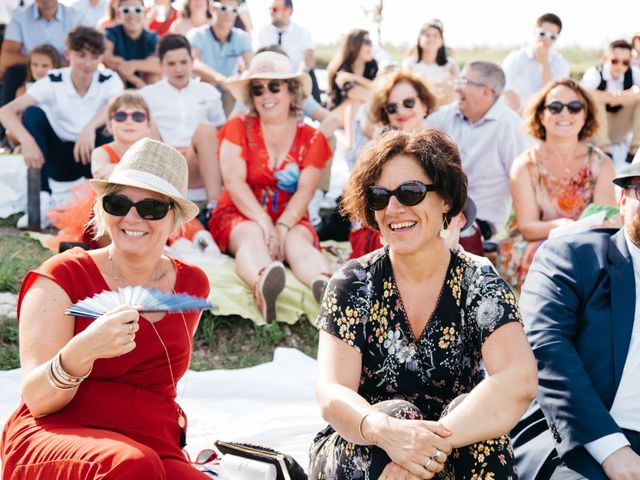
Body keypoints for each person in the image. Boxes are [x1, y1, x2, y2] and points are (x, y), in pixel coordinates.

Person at [309, 129, 537, 479]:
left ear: (446, 199)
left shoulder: (478, 281)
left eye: (411, 193)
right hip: (364, 437)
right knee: (399, 414)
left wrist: (425, 447)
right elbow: (332, 392)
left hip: (452, 437)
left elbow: (517, 379)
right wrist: (387, 432)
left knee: (484, 442)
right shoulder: (353, 282)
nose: (393, 208)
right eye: (379, 196)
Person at [0, 137, 211, 479]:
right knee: (132, 465)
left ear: (173, 218)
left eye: (151, 208)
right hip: (59, 433)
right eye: (118, 203)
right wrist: (81, 352)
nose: (132, 217)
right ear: (102, 208)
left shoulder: (191, 284)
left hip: (152, 442)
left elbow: (161, 384)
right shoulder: (61, 276)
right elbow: (37, 400)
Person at [512, 155, 640, 479]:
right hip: (580, 439)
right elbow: (545, 348)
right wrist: (612, 449)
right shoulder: (572, 257)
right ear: (622, 200)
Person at [208, 51, 333, 323]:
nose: (266, 95)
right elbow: (233, 181)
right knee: (251, 234)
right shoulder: (237, 126)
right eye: (258, 89)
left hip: (291, 215)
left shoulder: (311, 137)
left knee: (296, 241)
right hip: (240, 212)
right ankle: (263, 282)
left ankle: (327, 290)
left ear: (292, 91)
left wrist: (283, 225)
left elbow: (306, 190)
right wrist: (265, 221)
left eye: (275, 86)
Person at [497, 79, 617, 292]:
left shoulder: (602, 164)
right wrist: (563, 226)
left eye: (574, 107)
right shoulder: (525, 165)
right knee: (557, 257)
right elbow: (527, 228)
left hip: (588, 244)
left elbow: (606, 220)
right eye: (555, 107)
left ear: (585, 115)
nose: (564, 114)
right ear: (541, 116)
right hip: (535, 245)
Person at [0, 26, 123, 194]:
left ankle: (108, 194)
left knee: (116, 119)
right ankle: (42, 194)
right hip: (57, 155)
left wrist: (90, 127)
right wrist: (27, 141)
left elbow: (116, 105)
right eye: (81, 55)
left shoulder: (109, 78)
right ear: (68, 54)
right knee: (33, 114)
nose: (87, 63)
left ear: (101, 57)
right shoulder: (54, 80)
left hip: (92, 155)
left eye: (94, 57)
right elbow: (5, 111)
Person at [425, 61, 532, 237]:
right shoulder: (447, 115)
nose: (457, 89)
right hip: (440, 214)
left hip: (479, 222)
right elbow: (416, 133)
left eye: (463, 82)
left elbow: (528, 180)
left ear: (486, 91)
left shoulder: (510, 127)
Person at [47, 90, 152, 251]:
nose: (129, 121)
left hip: (144, 209)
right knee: (104, 215)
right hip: (110, 208)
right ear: (110, 124)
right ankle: (113, 251)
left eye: (137, 117)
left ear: (148, 124)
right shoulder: (102, 152)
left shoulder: (151, 153)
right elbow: (101, 173)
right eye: (121, 116)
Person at [140, 34, 226, 211]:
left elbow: (221, 130)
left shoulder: (208, 92)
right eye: (171, 64)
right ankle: (159, 196)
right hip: (165, 164)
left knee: (206, 129)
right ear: (160, 65)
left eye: (183, 62)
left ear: (192, 61)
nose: (178, 69)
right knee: (145, 122)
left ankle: (213, 207)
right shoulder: (147, 94)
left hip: (198, 162)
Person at [0, 0, 83, 108]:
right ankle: (5, 121)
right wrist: (39, 62)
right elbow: (7, 58)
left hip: (63, 74)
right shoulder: (20, 16)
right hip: (29, 74)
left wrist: (54, 64)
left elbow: (84, 57)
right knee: (13, 73)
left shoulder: (76, 16)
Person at [187, 0, 252, 115]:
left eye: (234, 10)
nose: (229, 14)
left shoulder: (243, 37)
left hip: (229, 90)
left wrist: (238, 79)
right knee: (205, 84)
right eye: (224, 8)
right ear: (212, 8)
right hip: (203, 88)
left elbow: (250, 66)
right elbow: (193, 63)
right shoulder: (196, 35)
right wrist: (218, 79)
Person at [581, 39, 640, 163]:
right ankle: (604, 148)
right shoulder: (595, 73)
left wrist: (629, 94)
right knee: (593, 99)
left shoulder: (634, 73)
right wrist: (617, 98)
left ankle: (635, 148)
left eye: (625, 62)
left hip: (619, 129)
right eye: (615, 61)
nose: (620, 66)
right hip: (596, 132)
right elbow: (582, 93)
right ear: (605, 58)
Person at [502, 13, 570, 113]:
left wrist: (544, 63)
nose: (546, 39)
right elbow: (505, 85)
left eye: (552, 37)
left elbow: (555, 94)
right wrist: (519, 112)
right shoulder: (516, 58)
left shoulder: (560, 63)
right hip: (515, 113)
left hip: (544, 116)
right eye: (542, 34)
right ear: (534, 32)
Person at [326, 28, 378, 149]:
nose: (371, 45)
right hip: (336, 115)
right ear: (354, 45)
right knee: (354, 103)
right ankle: (351, 147)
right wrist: (374, 91)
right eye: (367, 42)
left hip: (360, 115)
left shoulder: (372, 65)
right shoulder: (342, 69)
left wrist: (354, 77)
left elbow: (380, 87)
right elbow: (356, 93)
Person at [5, 44, 61, 148]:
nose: (39, 70)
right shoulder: (23, 90)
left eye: (45, 66)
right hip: (29, 132)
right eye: (34, 65)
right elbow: (17, 119)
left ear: (55, 66)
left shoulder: (60, 88)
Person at [103, 0, 161, 88]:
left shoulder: (151, 37)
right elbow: (107, 59)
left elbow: (160, 65)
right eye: (126, 10)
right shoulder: (111, 33)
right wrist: (136, 80)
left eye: (137, 10)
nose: (132, 15)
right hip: (122, 83)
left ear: (144, 13)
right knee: (116, 78)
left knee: (153, 76)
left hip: (144, 82)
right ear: (118, 14)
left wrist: (133, 65)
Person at [401, 19, 459, 106]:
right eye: (427, 35)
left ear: (442, 41)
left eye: (435, 35)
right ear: (419, 40)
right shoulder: (409, 64)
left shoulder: (450, 65)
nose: (431, 39)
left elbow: (456, 88)